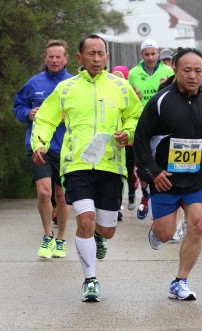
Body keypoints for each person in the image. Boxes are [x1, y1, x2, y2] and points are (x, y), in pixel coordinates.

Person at [30, 34, 142, 302]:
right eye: (90, 54)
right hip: (77, 165)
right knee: (86, 221)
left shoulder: (121, 86)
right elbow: (46, 118)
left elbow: (136, 116)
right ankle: (90, 279)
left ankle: (100, 239)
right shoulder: (67, 88)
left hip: (111, 166)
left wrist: (128, 132)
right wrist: (40, 142)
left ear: (107, 57)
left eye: (100, 53)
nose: (96, 58)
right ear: (79, 58)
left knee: (107, 229)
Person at [134, 47, 202, 300]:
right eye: (187, 70)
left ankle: (180, 281)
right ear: (175, 70)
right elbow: (141, 139)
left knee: (198, 224)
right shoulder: (160, 101)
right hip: (166, 180)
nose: (193, 75)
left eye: (198, 71)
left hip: (198, 178)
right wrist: (153, 173)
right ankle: (156, 232)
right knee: (165, 234)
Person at [14, 39, 71, 259]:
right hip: (38, 146)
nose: (54, 60)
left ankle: (61, 239)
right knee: (44, 192)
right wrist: (27, 113)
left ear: (66, 58)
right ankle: (48, 235)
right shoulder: (34, 83)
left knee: (62, 196)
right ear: (45, 58)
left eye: (58, 56)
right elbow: (18, 106)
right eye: (51, 57)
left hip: (65, 147)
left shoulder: (72, 84)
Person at [128, 39, 174, 220]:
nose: (150, 58)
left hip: (162, 123)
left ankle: (161, 200)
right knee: (142, 166)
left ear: (158, 53)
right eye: (147, 54)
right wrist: (134, 97)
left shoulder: (169, 71)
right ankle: (145, 196)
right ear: (142, 55)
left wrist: (167, 86)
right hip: (142, 123)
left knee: (161, 162)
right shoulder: (133, 73)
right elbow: (129, 99)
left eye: (153, 54)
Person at [111, 65, 139, 212]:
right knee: (116, 174)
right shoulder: (106, 94)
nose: (117, 80)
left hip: (129, 141)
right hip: (112, 141)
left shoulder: (130, 95)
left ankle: (132, 193)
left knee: (128, 169)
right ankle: (118, 205)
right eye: (114, 77)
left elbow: (135, 115)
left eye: (120, 78)